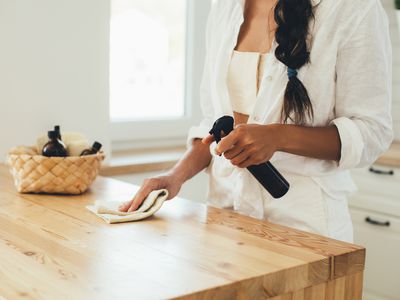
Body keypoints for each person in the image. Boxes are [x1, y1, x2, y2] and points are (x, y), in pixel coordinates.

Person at [119, 0, 393, 243]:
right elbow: (213, 123)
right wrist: (174, 176)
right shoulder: (224, 8)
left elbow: (372, 130)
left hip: (304, 227)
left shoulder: (353, 8)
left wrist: (277, 137)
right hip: (225, 221)